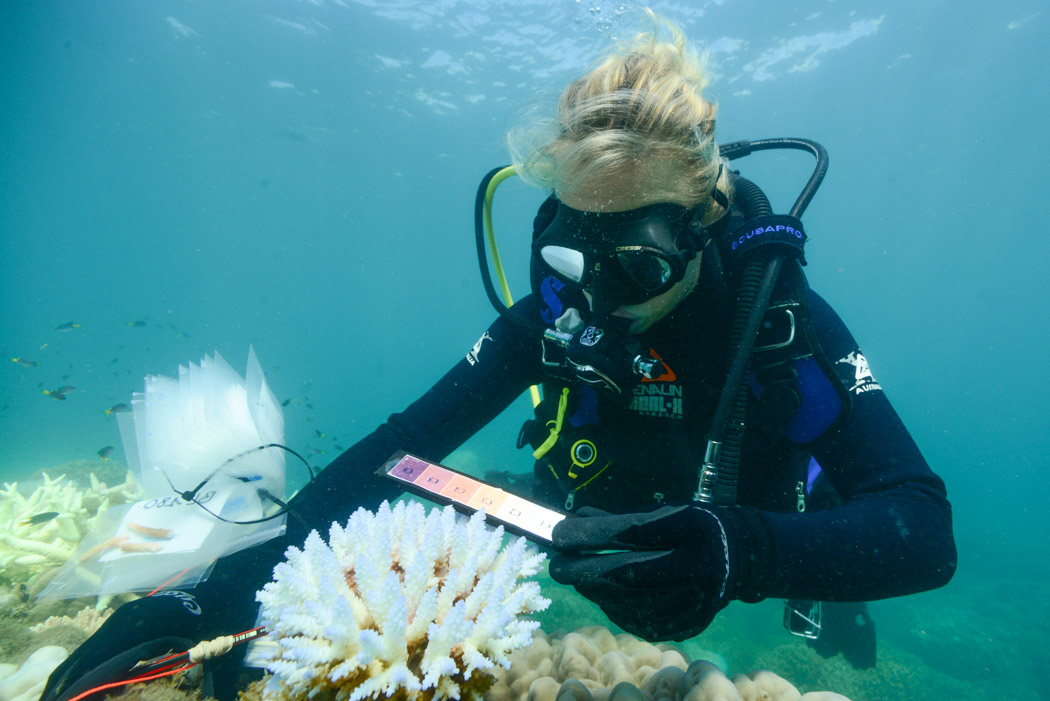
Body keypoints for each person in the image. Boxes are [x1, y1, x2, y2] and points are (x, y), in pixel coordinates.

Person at [43, 10, 955, 700]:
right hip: (594, 504)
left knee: (836, 530)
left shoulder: (776, 316)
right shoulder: (551, 315)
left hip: (752, 520)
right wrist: (221, 590)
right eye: (573, 255)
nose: (598, 296)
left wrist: (740, 552)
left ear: (704, 223)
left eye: (636, 265)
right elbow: (400, 448)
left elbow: (922, 526)